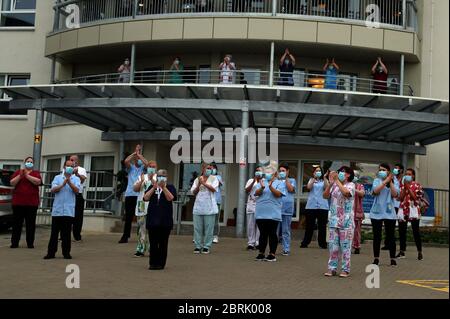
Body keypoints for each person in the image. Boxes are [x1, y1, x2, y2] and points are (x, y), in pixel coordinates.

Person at [44, 160, 81, 259]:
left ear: (73, 168)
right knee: (54, 234)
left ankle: (66, 253)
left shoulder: (76, 179)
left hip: (68, 211)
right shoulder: (57, 177)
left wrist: (69, 182)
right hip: (57, 210)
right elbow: (53, 190)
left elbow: (77, 191)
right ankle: (51, 253)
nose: (69, 167)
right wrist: (62, 184)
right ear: (64, 167)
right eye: (67, 165)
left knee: (66, 234)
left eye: (71, 166)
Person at [323, 167, 355, 278]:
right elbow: (325, 196)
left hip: (346, 222)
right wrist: (331, 184)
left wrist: (337, 181)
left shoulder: (351, 185)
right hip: (334, 220)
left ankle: (345, 269)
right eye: (339, 172)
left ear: (348, 175)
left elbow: (346, 193)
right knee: (333, 247)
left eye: (343, 172)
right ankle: (332, 268)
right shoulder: (335, 185)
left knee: (345, 247)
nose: (340, 174)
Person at [144, 169, 177, 270]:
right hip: (152, 220)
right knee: (153, 243)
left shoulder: (170, 187)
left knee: (163, 243)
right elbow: (145, 197)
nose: (161, 177)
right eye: (159, 175)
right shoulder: (152, 186)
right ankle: (153, 263)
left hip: (165, 221)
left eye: (163, 175)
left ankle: (161, 263)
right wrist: (154, 188)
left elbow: (171, 198)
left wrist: (164, 188)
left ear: (166, 177)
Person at [254, 161, 286, 262]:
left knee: (272, 233)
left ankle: (272, 254)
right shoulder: (261, 182)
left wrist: (271, 186)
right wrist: (263, 187)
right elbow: (256, 193)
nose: (268, 174)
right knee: (262, 234)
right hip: (261, 213)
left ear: (275, 174)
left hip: (273, 214)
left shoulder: (280, 183)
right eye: (266, 172)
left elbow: (278, 194)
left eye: (270, 172)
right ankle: (261, 253)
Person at [370, 163, 399, 266]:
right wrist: (385, 181)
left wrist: (390, 181)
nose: (381, 171)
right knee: (377, 236)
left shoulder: (394, 181)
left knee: (391, 236)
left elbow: (395, 194)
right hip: (376, 212)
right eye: (380, 170)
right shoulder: (377, 180)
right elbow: (376, 191)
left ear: (388, 171)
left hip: (389, 212)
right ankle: (376, 258)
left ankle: (392, 258)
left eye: (383, 170)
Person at [9, 157, 42, 249]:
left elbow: (38, 182)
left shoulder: (36, 173)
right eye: (27, 162)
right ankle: (14, 243)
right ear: (24, 163)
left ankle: (30, 243)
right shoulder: (18, 172)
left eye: (31, 162)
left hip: (31, 204)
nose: (29, 163)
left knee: (30, 225)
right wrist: (20, 175)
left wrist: (27, 176)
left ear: (33, 164)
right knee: (17, 224)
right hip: (18, 203)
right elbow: (12, 183)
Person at [119, 145, 148, 243]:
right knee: (128, 216)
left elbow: (147, 164)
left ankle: (141, 236)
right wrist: (134, 154)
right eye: (136, 159)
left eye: (139, 159)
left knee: (140, 216)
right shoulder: (130, 168)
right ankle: (125, 236)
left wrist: (139, 155)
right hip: (130, 195)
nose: (138, 160)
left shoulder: (143, 168)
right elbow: (126, 161)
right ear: (134, 160)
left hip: (140, 196)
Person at [190, 163, 219, 254]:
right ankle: (198, 246)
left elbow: (213, 189)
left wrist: (204, 183)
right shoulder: (197, 179)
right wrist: (199, 184)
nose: (210, 170)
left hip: (210, 207)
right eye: (208, 168)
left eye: (211, 168)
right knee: (198, 228)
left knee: (209, 228)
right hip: (198, 207)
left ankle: (206, 246)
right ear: (203, 169)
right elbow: (193, 192)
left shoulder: (214, 179)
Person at [397, 168, 424, 260]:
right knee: (402, 231)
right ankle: (402, 251)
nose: (407, 176)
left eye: (409, 174)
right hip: (403, 209)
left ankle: (420, 251)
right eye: (406, 174)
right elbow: (400, 198)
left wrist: (408, 187)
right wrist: (404, 188)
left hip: (413, 210)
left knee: (415, 231)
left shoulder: (417, 185)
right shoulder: (402, 185)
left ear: (413, 176)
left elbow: (415, 198)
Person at [132, 160, 157, 257]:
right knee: (141, 229)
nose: (151, 168)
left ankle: (153, 249)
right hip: (142, 206)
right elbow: (135, 189)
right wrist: (142, 181)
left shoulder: (159, 178)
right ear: (147, 167)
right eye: (150, 166)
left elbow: (160, 189)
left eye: (153, 166)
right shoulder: (141, 177)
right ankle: (140, 249)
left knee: (153, 229)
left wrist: (152, 179)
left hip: (153, 206)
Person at [301, 165, 329, 249]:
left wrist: (324, 177)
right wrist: (313, 179)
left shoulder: (324, 180)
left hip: (323, 206)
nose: (318, 172)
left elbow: (326, 187)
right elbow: (309, 187)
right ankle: (305, 243)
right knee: (309, 226)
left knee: (322, 226)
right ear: (314, 172)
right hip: (311, 206)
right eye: (316, 171)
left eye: (319, 171)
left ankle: (322, 244)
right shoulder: (311, 180)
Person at [381, 163, 404, 250]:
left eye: (397, 169)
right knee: (386, 226)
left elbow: (396, 193)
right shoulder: (385, 178)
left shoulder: (396, 180)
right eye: (394, 168)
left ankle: (391, 244)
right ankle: (387, 243)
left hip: (395, 205)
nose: (395, 170)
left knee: (391, 226)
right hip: (387, 204)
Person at [278, 162, 296, 256]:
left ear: (287, 171)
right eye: (280, 171)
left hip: (287, 209)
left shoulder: (292, 180)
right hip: (276, 209)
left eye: (283, 171)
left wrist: (286, 179)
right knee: (274, 231)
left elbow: (290, 189)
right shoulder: (276, 181)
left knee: (285, 230)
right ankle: (272, 250)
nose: (281, 172)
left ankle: (286, 249)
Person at [69, 155, 87, 242]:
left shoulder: (81, 169)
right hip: (68, 194)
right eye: (70, 160)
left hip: (78, 194)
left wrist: (77, 174)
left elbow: (83, 180)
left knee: (78, 217)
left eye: (73, 160)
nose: (72, 161)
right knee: (67, 216)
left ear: (77, 161)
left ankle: (77, 236)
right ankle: (63, 235)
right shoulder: (67, 169)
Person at [245, 166, 263, 250]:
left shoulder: (264, 181)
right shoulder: (250, 180)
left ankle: (258, 242)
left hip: (261, 205)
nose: (258, 172)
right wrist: (254, 181)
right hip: (251, 205)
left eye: (260, 171)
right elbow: (247, 190)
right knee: (250, 225)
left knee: (259, 226)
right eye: (257, 170)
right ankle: (251, 243)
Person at [352, 173, 365, 254]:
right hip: (346, 212)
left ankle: (357, 246)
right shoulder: (345, 185)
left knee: (356, 231)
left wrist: (353, 189)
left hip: (357, 212)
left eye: (356, 176)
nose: (354, 177)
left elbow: (362, 193)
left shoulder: (360, 186)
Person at [211, 163, 223, 244]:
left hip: (217, 201)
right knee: (208, 220)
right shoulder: (206, 177)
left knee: (215, 220)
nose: (212, 170)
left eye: (213, 168)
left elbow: (219, 184)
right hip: (208, 201)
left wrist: (214, 177)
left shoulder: (218, 177)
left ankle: (215, 236)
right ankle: (207, 236)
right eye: (210, 168)